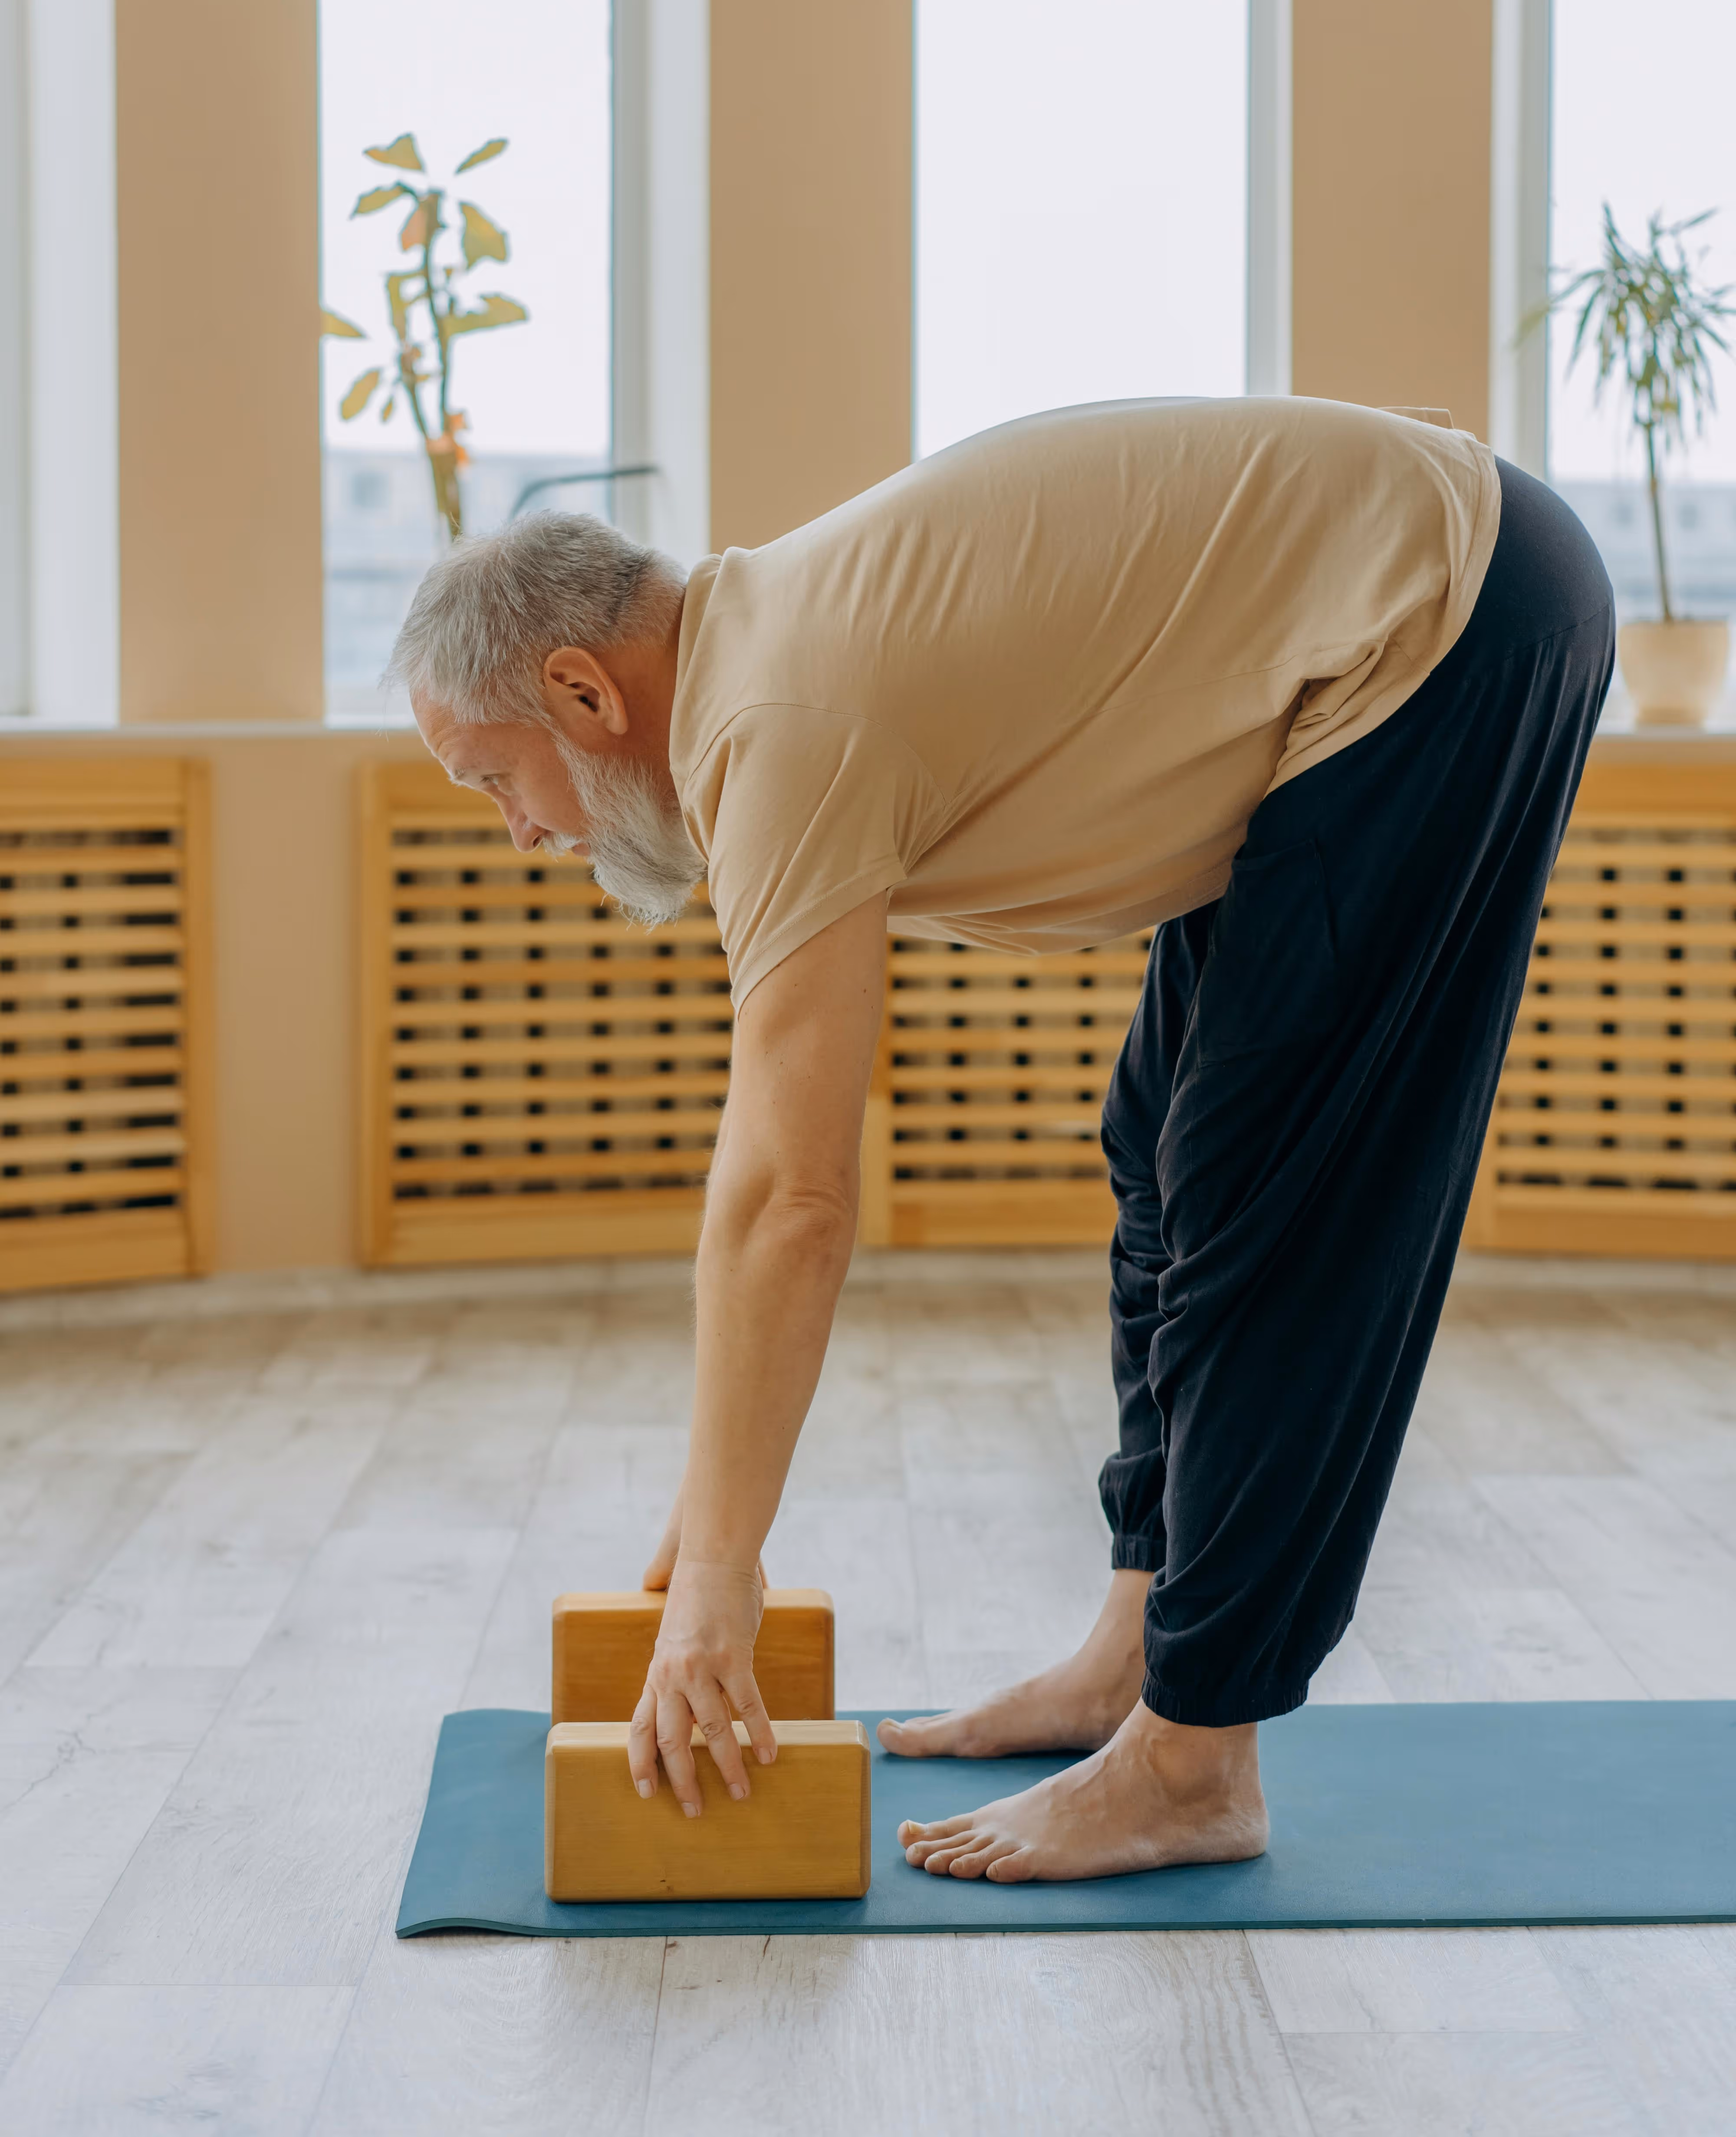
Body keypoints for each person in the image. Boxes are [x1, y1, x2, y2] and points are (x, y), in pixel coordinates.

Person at [389, 395, 1613, 1884]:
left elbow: (790, 1195)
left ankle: (1192, 1763)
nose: (521, 833)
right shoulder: (762, 663)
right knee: (1164, 1151)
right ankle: (1135, 1651)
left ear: (585, 694)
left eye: (495, 782)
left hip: (1450, 615)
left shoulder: (772, 720)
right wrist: (714, 1525)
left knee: (1265, 1204)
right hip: (1383, 629)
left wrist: (721, 1570)